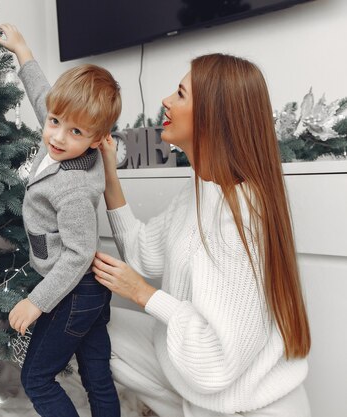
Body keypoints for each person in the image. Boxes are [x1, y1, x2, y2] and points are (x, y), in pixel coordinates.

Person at [91, 53, 312, 417]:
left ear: (213, 115)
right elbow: (143, 254)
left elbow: (215, 362)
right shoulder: (202, 189)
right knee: (88, 323)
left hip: (245, 404)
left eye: (180, 94)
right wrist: (110, 177)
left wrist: (142, 294)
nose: (166, 101)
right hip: (202, 390)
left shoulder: (242, 215)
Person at [0, 24, 122, 417]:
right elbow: (41, 98)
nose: (58, 137)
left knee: (37, 378)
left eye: (76, 131)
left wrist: (36, 303)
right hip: (89, 292)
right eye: (54, 122)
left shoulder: (74, 190)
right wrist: (22, 50)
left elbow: (79, 254)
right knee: (97, 375)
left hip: (75, 291)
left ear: (98, 137)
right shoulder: (61, 142)